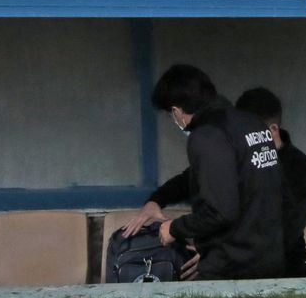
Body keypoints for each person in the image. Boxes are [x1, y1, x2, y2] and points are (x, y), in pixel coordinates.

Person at [120, 65, 287, 279]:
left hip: (233, 267)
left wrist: (174, 229)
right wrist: (157, 200)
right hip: (268, 258)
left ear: (176, 111)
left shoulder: (207, 136)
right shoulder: (250, 124)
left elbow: (221, 211)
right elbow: (205, 176)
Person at [235, 87, 306, 277]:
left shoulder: (302, 169)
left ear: (272, 130)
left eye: (249, 133)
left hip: (285, 263)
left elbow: (286, 229)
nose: (243, 140)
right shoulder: (238, 160)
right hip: (238, 259)